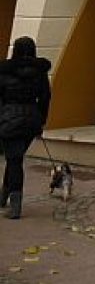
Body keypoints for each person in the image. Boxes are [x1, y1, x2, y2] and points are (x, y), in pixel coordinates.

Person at [0, 36, 52, 219]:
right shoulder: (40, 71)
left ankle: (15, 207)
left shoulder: (4, 71)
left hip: (9, 118)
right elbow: (45, 98)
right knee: (15, 157)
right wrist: (41, 121)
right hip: (31, 119)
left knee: (14, 160)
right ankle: (4, 196)